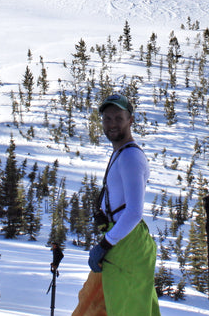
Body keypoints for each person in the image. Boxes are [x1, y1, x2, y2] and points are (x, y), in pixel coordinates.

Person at [86, 93, 161, 316]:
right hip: (122, 242)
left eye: (118, 118)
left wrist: (105, 245)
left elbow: (134, 212)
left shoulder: (130, 157)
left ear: (131, 120)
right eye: (107, 118)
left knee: (128, 310)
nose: (112, 124)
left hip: (126, 244)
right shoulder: (120, 153)